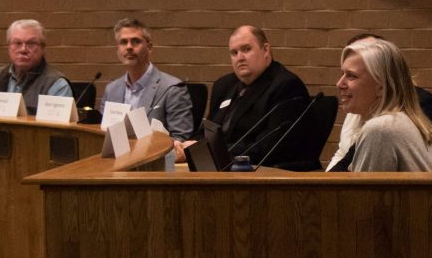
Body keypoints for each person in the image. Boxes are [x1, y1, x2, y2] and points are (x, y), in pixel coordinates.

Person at [326, 33, 432, 172]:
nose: (339, 84)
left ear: (381, 86)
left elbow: (365, 194)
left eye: (351, 76)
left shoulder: (380, 129)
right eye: (342, 74)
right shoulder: (398, 120)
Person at [207, 25, 313, 169]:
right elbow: (208, 129)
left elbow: (268, 147)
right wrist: (186, 146)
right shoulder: (224, 85)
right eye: (234, 52)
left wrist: (214, 153)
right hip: (218, 165)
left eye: (246, 49)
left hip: (261, 171)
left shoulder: (286, 86)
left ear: (265, 50)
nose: (240, 58)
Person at [100, 18, 194, 159]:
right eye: (124, 42)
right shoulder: (111, 90)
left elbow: (180, 139)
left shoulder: (172, 88)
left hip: (152, 164)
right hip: (113, 162)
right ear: (117, 50)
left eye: (136, 41)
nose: (129, 47)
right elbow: (101, 135)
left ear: (149, 47)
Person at [0, 19, 72, 114]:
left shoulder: (56, 85)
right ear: (9, 47)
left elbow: (57, 130)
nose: (23, 49)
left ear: (43, 48)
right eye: (17, 43)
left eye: (31, 43)